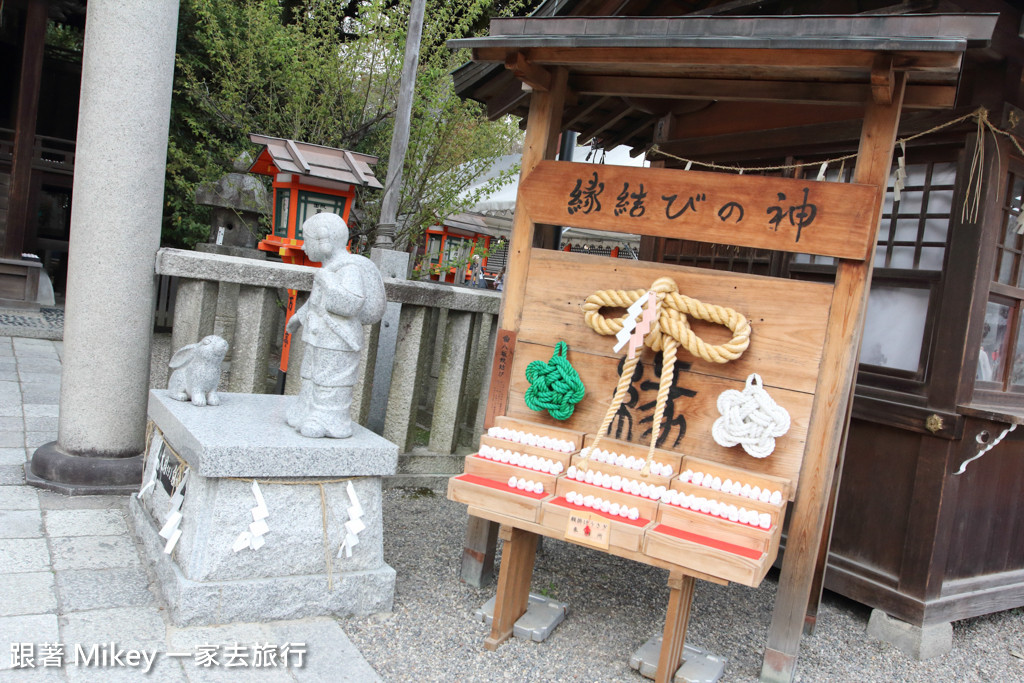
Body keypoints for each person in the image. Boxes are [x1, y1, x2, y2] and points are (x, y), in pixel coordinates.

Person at [285, 213, 385, 438]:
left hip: (339, 339)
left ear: (324, 241)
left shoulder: (348, 269)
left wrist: (328, 282)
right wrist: (299, 317)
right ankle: (307, 409)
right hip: (318, 335)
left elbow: (351, 304)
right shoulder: (329, 268)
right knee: (310, 374)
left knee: (332, 380)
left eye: (306, 240)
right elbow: (315, 302)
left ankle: (328, 419)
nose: (303, 246)